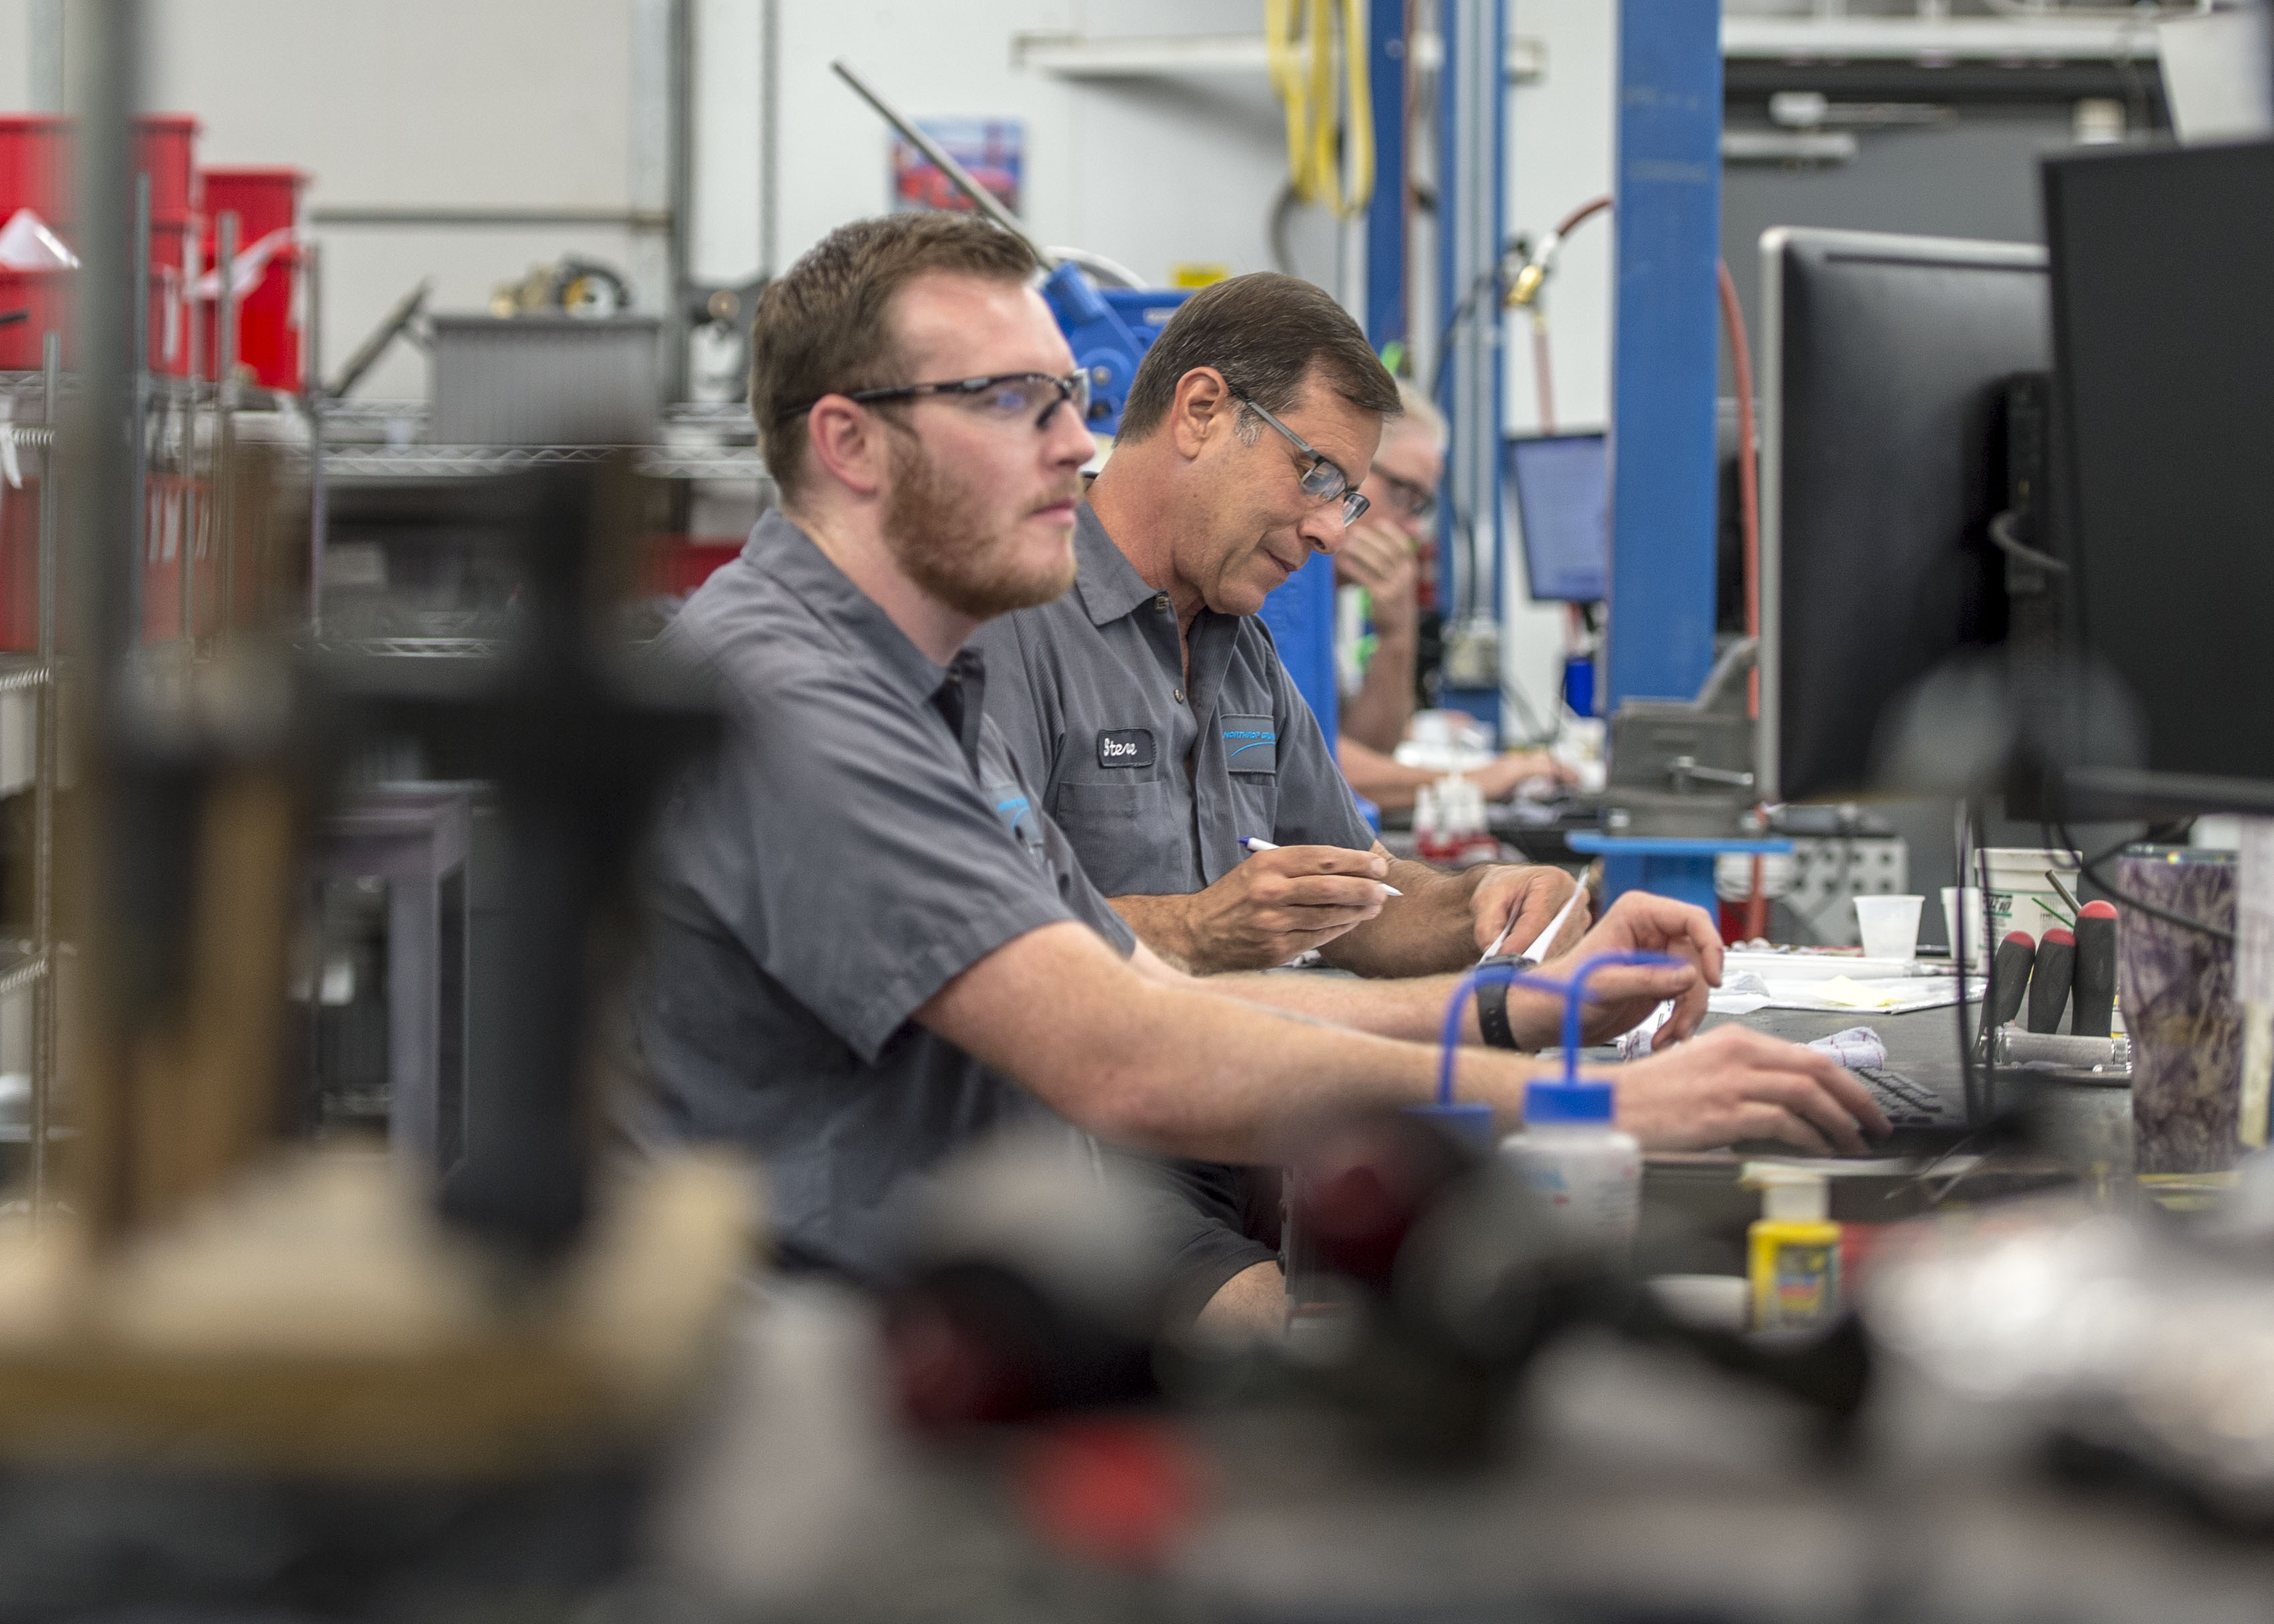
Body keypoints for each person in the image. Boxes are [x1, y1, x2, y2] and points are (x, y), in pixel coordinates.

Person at [631, 212, 1884, 1311]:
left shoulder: (929, 683)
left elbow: (1155, 997)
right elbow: (1116, 1050)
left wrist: (1525, 1007)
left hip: (986, 1286)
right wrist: (1597, 1105)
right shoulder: (790, 693)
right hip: (815, 1370)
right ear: (849, 444)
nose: (1075, 443)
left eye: (1071, 399)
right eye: (1015, 403)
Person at [971, 273, 1574, 982]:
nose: (1330, 534)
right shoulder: (1004, 618)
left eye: (1347, 500)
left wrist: (1483, 900)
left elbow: (1358, 898)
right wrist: (1193, 931)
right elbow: (980, 919)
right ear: (1201, 412)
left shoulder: (1239, 646)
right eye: (1315, 475)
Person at [1333, 380, 1572, 815]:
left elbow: (1362, 749)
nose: (1410, 530)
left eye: (1419, 507)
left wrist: (1397, 634)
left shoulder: (1320, 611)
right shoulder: (1266, 599)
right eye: (1401, 495)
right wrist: (1476, 781)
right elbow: (1310, 770)